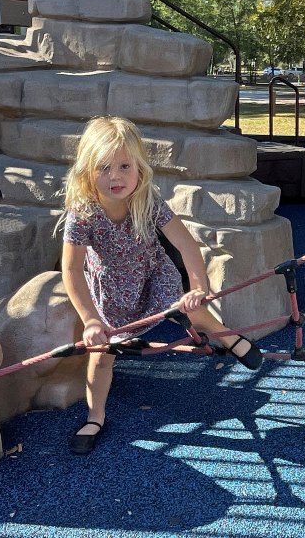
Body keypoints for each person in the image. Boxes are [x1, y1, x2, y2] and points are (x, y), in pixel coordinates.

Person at [61, 116, 262, 454]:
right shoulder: (82, 213)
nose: (116, 176)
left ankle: (229, 337)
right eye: (104, 168)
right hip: (112, 293)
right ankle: (95, 416)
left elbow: (187, 245)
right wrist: (90, 319)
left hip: (153, 276)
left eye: (125, 166)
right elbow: (71, 270)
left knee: (189, 310)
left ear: (140, 167)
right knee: (102, 353)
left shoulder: (146, 201)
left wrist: (198, 287)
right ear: (86, 172)